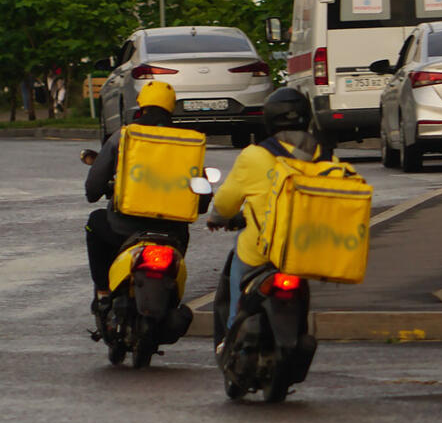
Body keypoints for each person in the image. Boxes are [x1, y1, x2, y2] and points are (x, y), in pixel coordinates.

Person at [206, 87, 324, 332]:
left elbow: (226, 202)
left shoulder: (254, 155)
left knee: (239, 270)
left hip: (261, 251)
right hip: (305, 251)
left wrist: (217, 218)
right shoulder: (323, 157)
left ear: (269, 120)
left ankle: (231, 333)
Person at [84, 80, 192, 302]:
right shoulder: (188, 141)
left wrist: (97, 191)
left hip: (124, 229)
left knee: (94, 222)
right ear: (171, 107)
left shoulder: (123, 137)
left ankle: (103, 291)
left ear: (141, 106)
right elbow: (200, 196)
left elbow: (93, 189)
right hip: (174, 232)